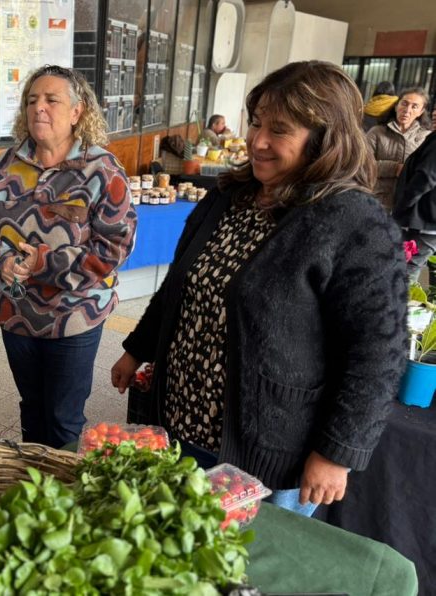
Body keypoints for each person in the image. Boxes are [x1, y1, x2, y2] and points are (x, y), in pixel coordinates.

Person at [110, 61, 407, 515]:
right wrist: (137, 349)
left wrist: (337, 452)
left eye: (279, 130)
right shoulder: (228, 197)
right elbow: (178, 287)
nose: (258, 141)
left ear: (326, 139)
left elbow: (377, 353)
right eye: (256, 123)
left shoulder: (355, 225)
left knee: (245, 570)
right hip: (180, 422)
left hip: (267, 449)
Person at [0, 65, 137, 449]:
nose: (39, 108)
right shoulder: (6, 164)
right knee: (32, 409)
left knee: (62, 418)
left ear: (77, 112)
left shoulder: (101, 169)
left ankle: (64, 499)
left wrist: (46, 264)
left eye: (51, 100)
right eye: (32, 100)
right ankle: (35, 489)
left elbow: (115, 246)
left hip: (73, 319)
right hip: (15, 315)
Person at [366, 87, 430, 210]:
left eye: (414, 106)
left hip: (410, 206)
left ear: (421, 112)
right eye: (404, 104)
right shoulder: (377, 132)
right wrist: (395, 168)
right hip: (377, 202)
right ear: (396, 106)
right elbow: (362, 165)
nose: (407, 110)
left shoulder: (426, 137)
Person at [393, 126, 436, 282]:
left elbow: (426, 177)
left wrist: (401, 208)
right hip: (425, 223)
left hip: (424, 222)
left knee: (402, 275)